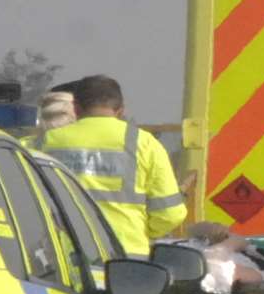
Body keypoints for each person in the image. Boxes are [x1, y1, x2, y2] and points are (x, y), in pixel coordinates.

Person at [40, 75, 186, 256]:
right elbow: (171, 213)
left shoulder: (44, 143)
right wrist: (142, 231)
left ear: (76, 109)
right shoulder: (145, 144)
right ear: (121, 111)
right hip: (126, 259)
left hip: (64, 259)